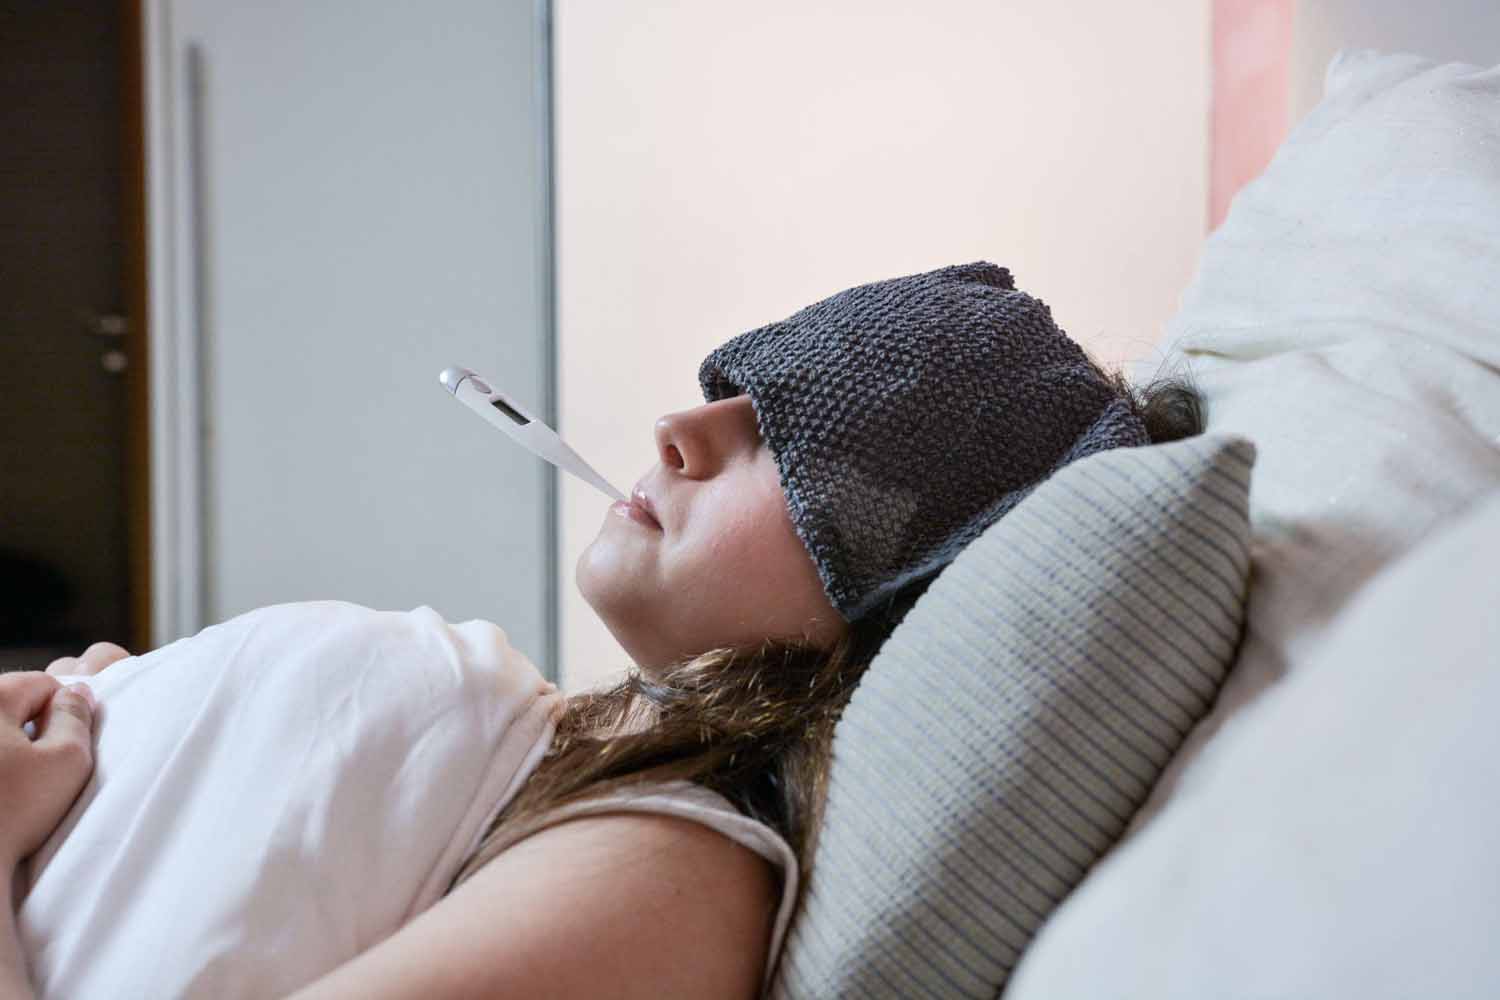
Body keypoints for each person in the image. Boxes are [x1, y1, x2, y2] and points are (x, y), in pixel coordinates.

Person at [0, 261, 1202, 999]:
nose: (684, 424)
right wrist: (133, 716)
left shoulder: (676, 873)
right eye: (733, 386)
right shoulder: (554, 752)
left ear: (903, 584)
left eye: (790, 443)